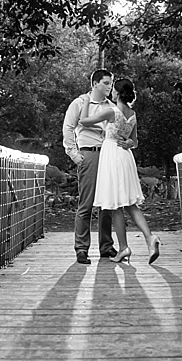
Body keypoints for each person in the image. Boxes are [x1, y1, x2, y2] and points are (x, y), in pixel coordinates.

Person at [84, 77, 160, 264]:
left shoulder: (111, 111)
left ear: (116, 93)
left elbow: (84, 121)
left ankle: (126, 247)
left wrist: (86, 101)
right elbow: (134, 141)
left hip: (111, 156)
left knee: (116, 203)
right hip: (125, 156)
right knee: (127, 204)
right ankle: (147, 238)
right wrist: (129, 143)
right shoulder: (132, 114)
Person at [62, 70, 117, 264]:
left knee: (107, 204)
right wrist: (75, 155)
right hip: (89, 154)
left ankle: (106, 247)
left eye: (111, 83)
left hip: (108, 155)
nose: (109, 86)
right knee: (86, 203)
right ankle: (82, 248)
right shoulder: (79, 103)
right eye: (106, 83)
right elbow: (68, 128)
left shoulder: (111, 106)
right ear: (94, 84)